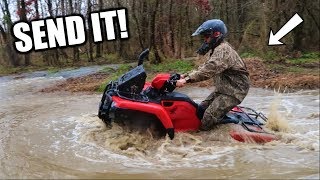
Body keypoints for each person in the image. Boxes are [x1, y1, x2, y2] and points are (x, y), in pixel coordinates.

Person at [176, 19, 250, 131]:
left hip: (234, 91)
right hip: (224, 89)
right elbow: (204, 66)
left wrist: (187, 80)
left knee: (207, 119)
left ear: (217, 34)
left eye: (206, 36)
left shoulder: (223, 50)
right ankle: (219, 121)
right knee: (200, 109)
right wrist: (184, 75)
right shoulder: (216, 49)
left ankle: (218, 134)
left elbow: (209, 69)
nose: (205, 40)